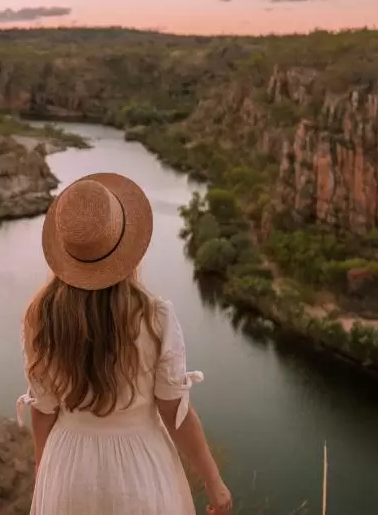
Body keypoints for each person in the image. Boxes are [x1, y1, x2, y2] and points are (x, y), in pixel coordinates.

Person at [16, 172, 233, 515]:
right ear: (126, 248)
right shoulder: (154, 316)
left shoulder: (40, 317)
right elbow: (175, 412)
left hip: (67, 469)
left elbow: (43, 411)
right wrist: (213, 482)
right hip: (139, 470)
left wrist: (46, 474)